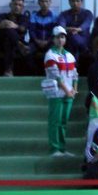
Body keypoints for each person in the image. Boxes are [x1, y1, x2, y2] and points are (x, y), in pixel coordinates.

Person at [42, 26, 78, 157]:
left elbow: (75, 74)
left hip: (69, 93)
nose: (60, 40)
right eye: (57, 37)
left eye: (62, 37)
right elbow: (55, 76)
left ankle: (62, 148)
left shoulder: (70, 56)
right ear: (53, 39)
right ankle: (54, 148)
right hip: (56, 93)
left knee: (63, 122)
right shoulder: (50, 55)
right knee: (55, 121)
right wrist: (67, 91)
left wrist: (74, 89)